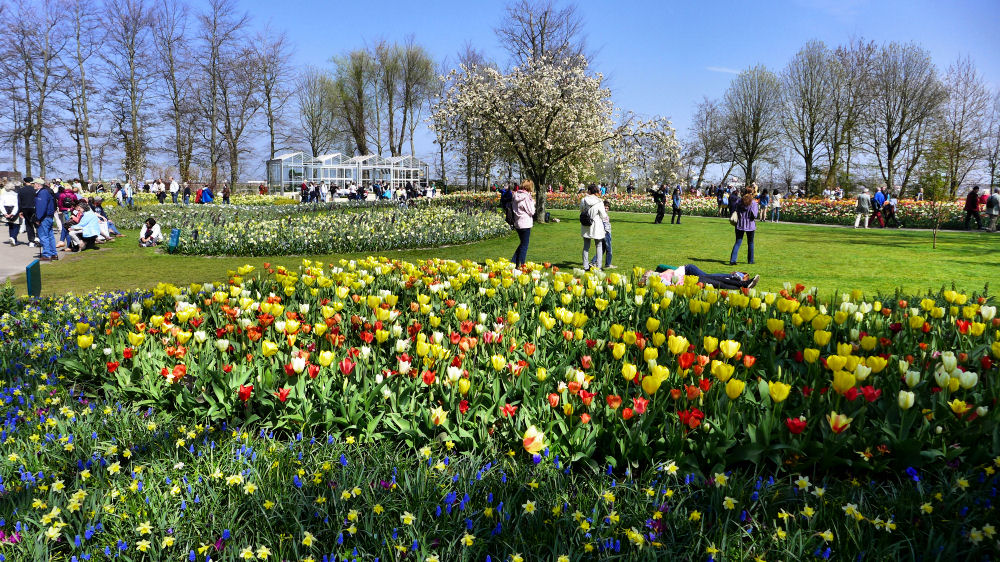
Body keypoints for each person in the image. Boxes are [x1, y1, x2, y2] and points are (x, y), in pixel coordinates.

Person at [644, 264, 759, 290]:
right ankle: (743, 285)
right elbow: (671, 286)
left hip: (689, 278)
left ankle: (744, 284)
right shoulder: (661, 281)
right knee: (717, 282)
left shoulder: (661, 276)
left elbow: (669, 270)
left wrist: (659, 274)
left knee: (717, 281)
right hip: (690, 281)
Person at [729, 184, 759, 265]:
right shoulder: (753, 203)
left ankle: (732, 260)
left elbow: (734, 210)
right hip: (750, 225)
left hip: (740, 224)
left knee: (738, 242)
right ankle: (750, 260)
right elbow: (754, 215)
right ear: (752, 193)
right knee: (750, 243)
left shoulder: (739, 201)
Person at [580, 185, 608, 271]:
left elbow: (581, 210)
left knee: (586, 246)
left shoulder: (583, 200)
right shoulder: (599, 201)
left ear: (589, 191)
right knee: (599, 245)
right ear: (595, 192)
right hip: (596, 224)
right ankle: (598, 266)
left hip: (586, 224)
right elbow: (603, 215)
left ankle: (585, 266)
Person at [510, 180, 536, 267]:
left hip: (518, 222)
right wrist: (533, 203)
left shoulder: (516, 195)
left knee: (522, 243)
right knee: (524, 245)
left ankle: (513, 263)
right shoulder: (526, 197)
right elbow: (531, 211)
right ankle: (521, 265)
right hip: (525, 223)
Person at [33, 178, 58, 261]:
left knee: (44, 236)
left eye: (34, 184)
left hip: (44, 218)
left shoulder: (42, 193)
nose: (33, 185)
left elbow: (41, 207)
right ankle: (53, 254)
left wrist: (38, 219)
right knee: (50, 236)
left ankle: (47, 255)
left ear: (38, 184)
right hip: (49, 217)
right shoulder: (46, 192)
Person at [589, 200, 614, 269]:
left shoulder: (603, 215)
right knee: (609, 249)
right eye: (605, 208)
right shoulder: (602, 215)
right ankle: (608, 264)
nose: (606, 210)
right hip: (605, 233)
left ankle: (593, 262)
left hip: (605, 233)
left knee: (602, 249)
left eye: (607, 208)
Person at [17, 177, 38, 247]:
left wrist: (20, 211)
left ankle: (31, 241)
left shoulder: (21, 190)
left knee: (28, 224)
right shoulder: (35, 190)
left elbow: (19, 201)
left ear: (25, 182)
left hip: (25, 208)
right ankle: (38, 238)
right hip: (34, 208)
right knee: (37, 223)